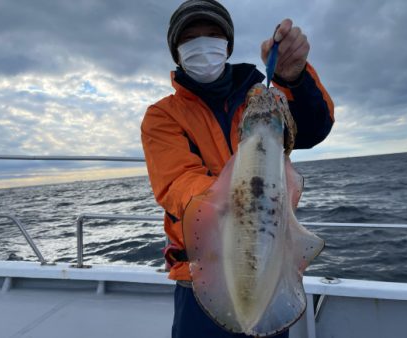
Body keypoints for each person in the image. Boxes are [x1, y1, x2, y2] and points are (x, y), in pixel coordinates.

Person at [141, 1, 334, 337]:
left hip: (271, 255)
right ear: (176, 51)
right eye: (190, 38)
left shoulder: (262, 98)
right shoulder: (163, 116)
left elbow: (314, 127)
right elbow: (177, 183)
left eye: (213, 34)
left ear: (228, 45)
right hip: (200, 275)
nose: (202, 43)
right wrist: (241, 200)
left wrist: (296, 77)